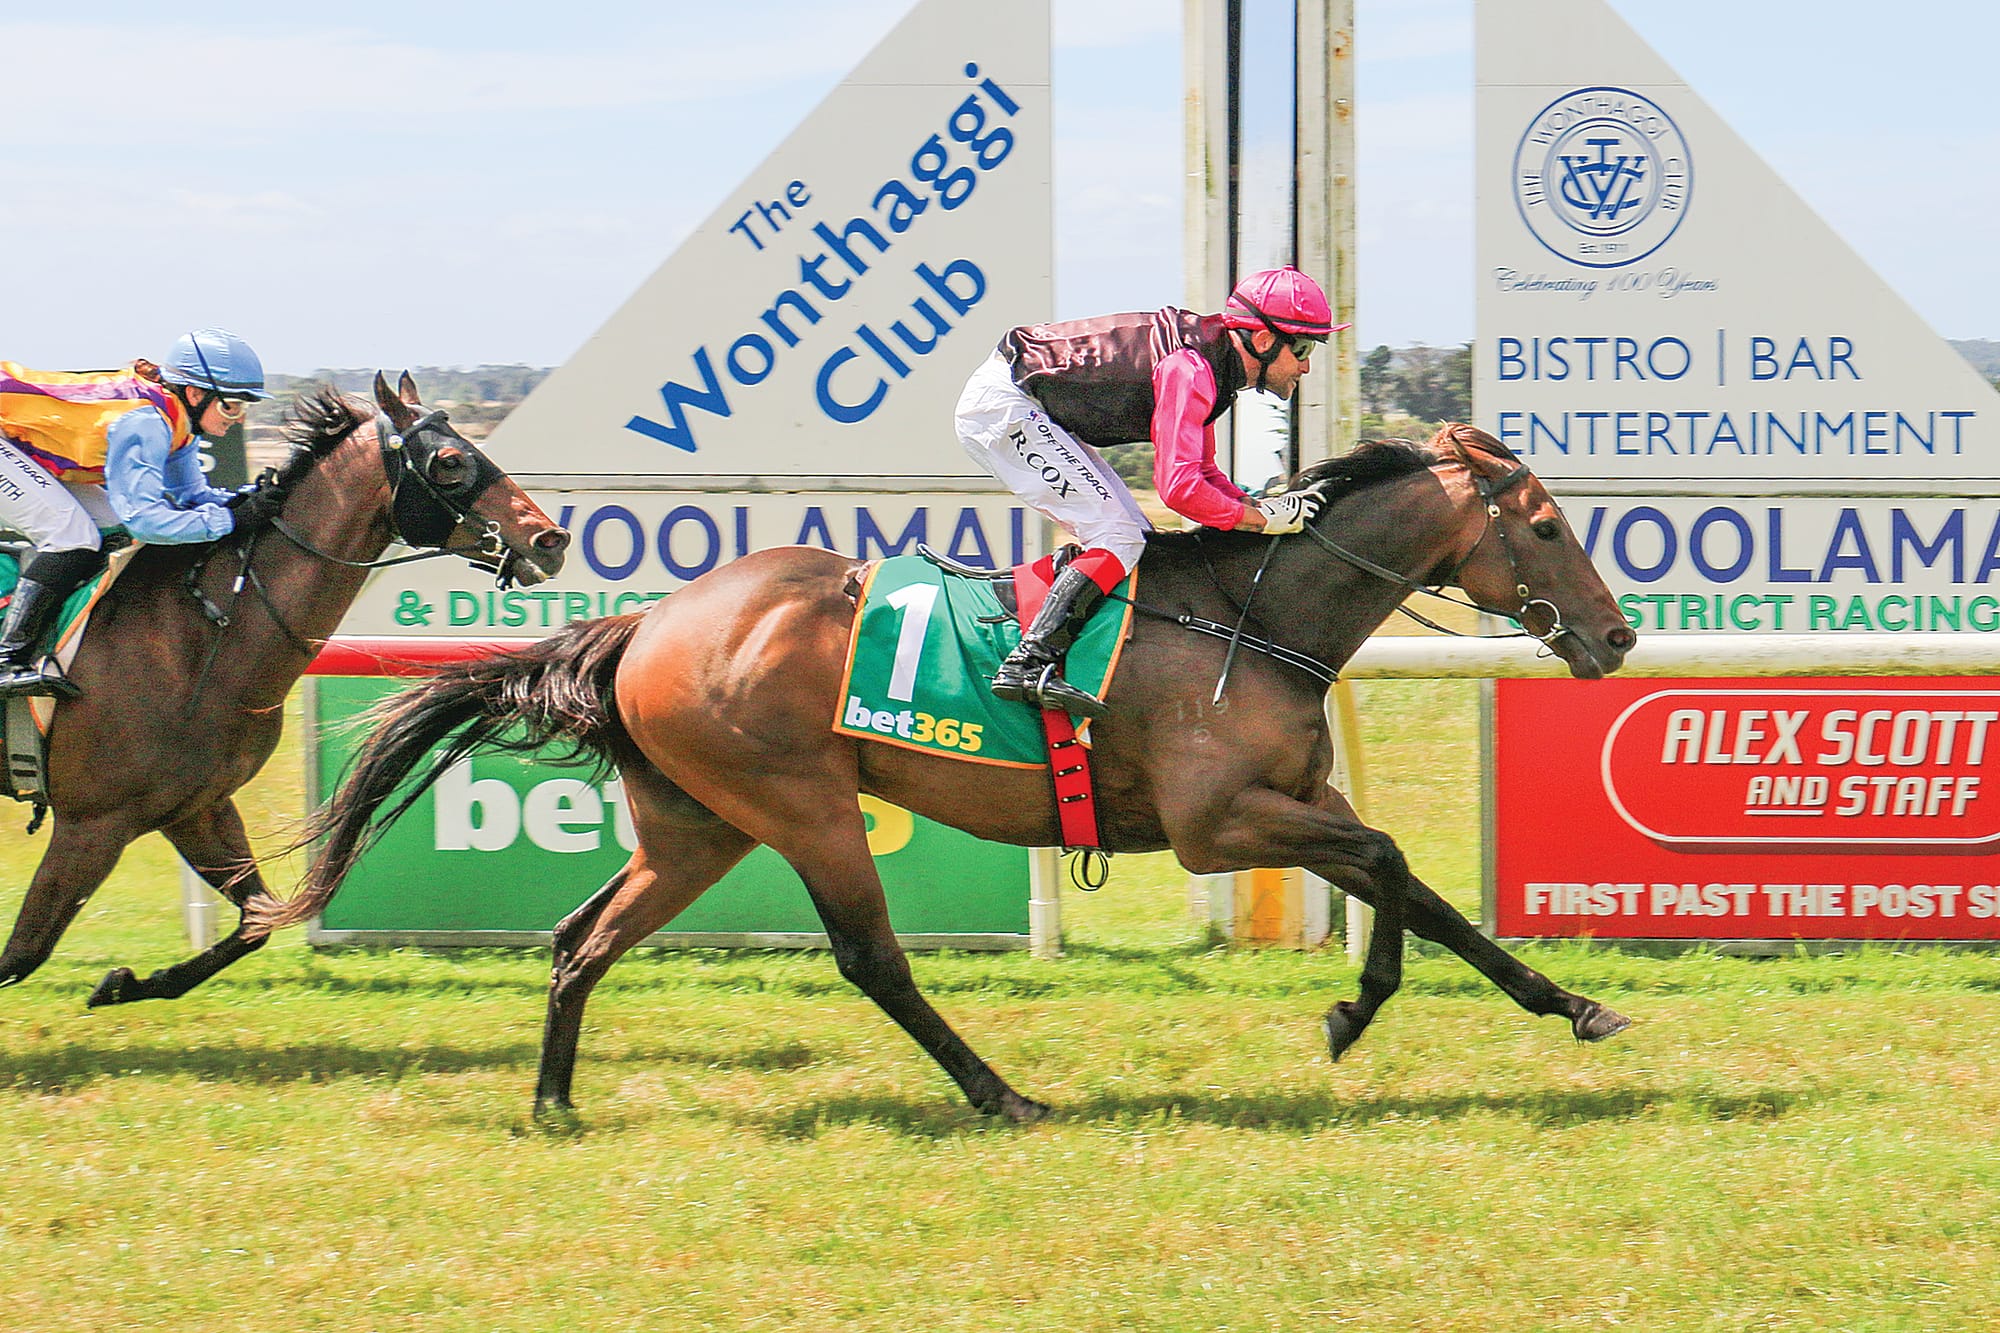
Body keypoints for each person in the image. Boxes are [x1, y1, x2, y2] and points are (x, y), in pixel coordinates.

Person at [955, 266, 1346, 717]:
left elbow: (1203, 471)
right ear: (1262, 340)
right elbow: (1179, 490)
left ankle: (1073, 651)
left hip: (1028, 400)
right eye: (1301, 347)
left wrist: (1259, 508)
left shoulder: (1212, 364)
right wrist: (1260, 520)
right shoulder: (1191, 368)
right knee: (1120, 538)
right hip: (1005, 406)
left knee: (1135, 538)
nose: (1306, 364)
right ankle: (1028, 661)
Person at [0, 327, 277, 697]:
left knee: (109, 527)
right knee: (72, 536)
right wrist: (230, 521)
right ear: (196, 394)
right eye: (232, 405)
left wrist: (244, 501)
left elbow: (190, 495)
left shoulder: (179, 421)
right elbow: (146, 522)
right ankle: (7, 658)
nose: (239, 418)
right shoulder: (146, 422)